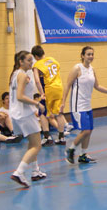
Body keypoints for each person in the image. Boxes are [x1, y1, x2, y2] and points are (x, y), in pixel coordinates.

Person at [61, 46, 107, 164]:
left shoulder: (92, 69)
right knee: (86, 131)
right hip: (77, 105)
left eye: (92, 54)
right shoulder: (77, 68)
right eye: (88, 54)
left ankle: (83, 154)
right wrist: (63, 102)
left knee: (90, 130)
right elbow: (67, 85)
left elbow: (97, 86)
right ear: (82, 55)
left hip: (87, 105)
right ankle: (70, 149)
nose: (91, 57)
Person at [9, 50, 47, 187]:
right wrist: (37, 103)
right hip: (24, 114)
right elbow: (20, 96)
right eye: (29, 60)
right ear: (21, 62)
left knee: (32, 143)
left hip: (16, 114)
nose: (31, 63)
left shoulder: (14, 74)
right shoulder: (22, 75)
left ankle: (35, 171)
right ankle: (19, 172)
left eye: (32, 60)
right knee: (37, 145)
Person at [32, 45, 68, 145]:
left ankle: (47, 137)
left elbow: (37, 81)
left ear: (35, 56)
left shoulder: (37, 65)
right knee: (59, 113)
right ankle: (61, 138)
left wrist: (41, 93)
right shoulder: (53, 60)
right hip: (59, 88)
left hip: (49, 89)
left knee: (42, 113)